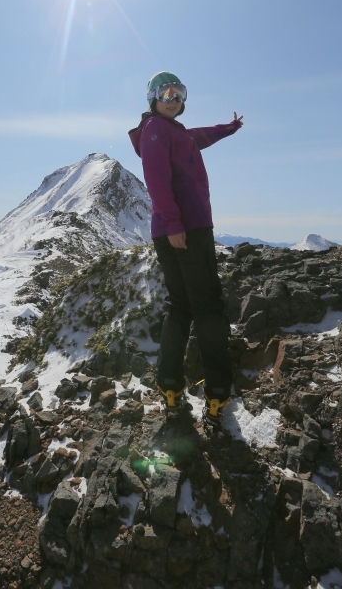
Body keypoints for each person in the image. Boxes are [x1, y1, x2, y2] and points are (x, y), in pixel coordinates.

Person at [128, 71, 243, 424]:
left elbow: (199, 137)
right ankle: (219, 395)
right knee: (208, 307)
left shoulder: (172, 132)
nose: (174, 99)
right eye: (166, 92)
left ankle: (170, 388)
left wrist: (228, 128)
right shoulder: (157, 130)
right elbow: (156, 179)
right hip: (186, 228)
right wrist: (176, 224)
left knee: (180, 306)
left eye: (180, 94)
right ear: (152, 98)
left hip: (173, 230)